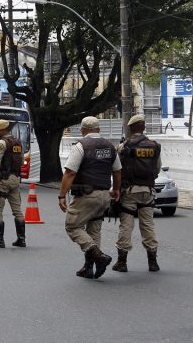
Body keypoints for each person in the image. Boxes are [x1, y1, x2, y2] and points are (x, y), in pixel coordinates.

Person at [58, 116, 121, 280]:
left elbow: (70, 172)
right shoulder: (110, 147)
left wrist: (61, 195)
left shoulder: (81, 146)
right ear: (99, 129)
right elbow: (117, 171)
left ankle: (99, 256)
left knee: (72, 226)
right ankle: (89, 267)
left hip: (87, 195)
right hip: (104, 195)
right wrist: (116, 190)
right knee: (94, 230)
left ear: (83, 130)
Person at [112, 114, 161, 273]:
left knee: (126, 225)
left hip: (129, 191)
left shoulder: (124, 146)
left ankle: (122, 262)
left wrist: (116, 190)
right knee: (148, 225)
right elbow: (157, 169)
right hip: (148, 191)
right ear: (144, 127)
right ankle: (153, 262)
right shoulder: (154, 146)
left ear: (131, 127)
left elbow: (117, 169)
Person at [0, 120, 25, 248]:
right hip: (15, 180)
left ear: (3, 130)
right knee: (17, 211)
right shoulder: (18, 142)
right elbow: (22, 160)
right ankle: (21, 239)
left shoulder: (1, 143)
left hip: (3, 181)